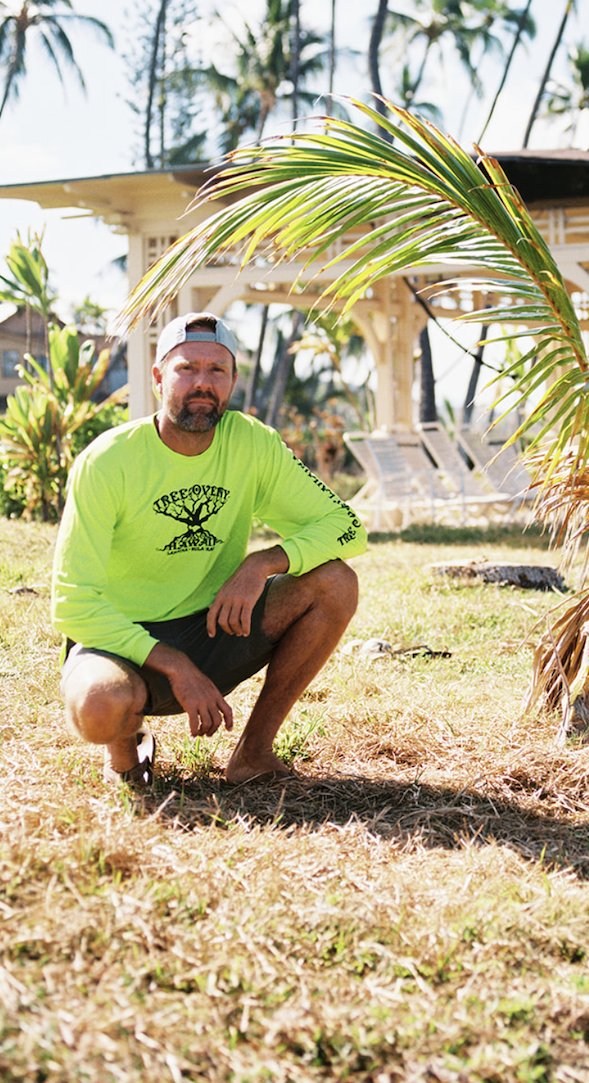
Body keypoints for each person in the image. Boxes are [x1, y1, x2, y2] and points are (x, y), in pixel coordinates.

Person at [53, 311, 366, 788]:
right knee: (100, 705)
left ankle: (254, 753)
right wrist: (174, 664)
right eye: (187, 368)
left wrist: (263, 563)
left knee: (335, 583)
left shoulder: (251, 444)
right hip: (118, 642)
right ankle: (126, 751)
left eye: (217, 370)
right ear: (159, 378)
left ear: (233, 380)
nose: (203, 383)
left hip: (214, 626)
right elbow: (73, 604)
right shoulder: (108, 461)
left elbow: (346, 527)